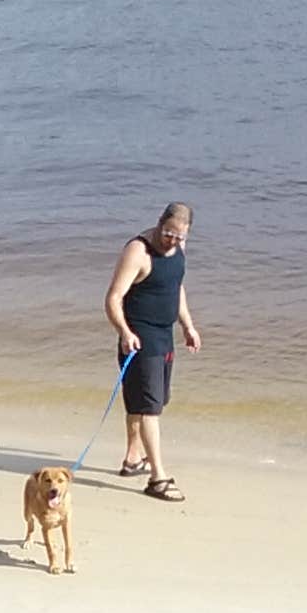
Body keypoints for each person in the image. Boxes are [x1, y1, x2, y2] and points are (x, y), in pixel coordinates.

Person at [103, 202, 200, 502]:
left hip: (164, 336)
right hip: (140, 339)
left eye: (179, 237)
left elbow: (176, 288)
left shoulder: (178, 252)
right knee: (149, 408)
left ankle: (133, 458)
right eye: (168, 233)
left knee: (146, 401)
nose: (172, 240)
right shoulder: (139, 251)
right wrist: (125, 332)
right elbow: (113, 298)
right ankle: (158, 477)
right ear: (159, 223)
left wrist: (188, 325)